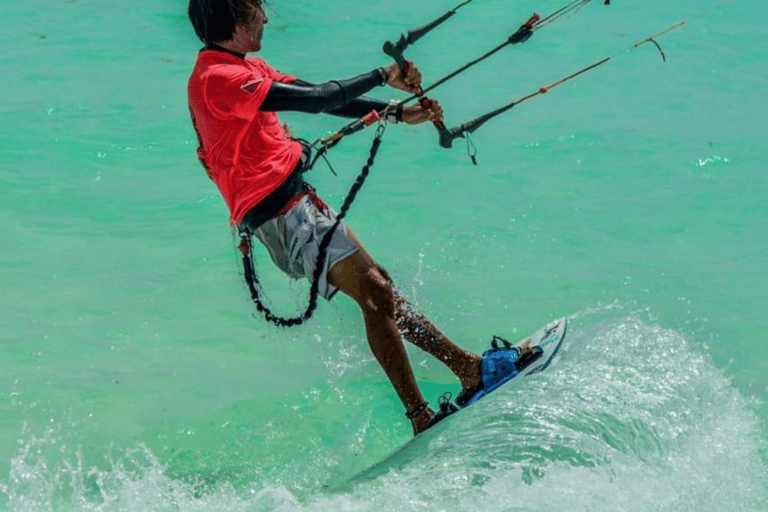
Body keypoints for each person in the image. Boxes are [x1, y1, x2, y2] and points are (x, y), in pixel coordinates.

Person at [186, 0, 499, 435]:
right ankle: (424, 414)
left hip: (297, 204)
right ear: (237, 17)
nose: (267, 17)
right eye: (259, 9)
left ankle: (468, 371)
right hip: (281, 214)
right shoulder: (217, 79)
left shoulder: (246, 67)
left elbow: (325, 97)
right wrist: (385, 75)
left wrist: (396, 110)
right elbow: (317, 101)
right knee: (375, 290)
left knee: (379, 291)